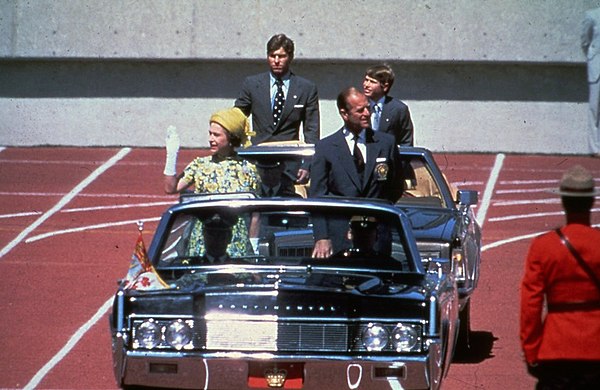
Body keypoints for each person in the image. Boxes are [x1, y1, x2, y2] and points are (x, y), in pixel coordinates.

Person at [520, 165, 600, 389]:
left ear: (563, 201)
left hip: (555, 348)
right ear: (591, 202)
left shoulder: (543, 246)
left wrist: (531, 351)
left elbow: (530, 305)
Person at [310, 87, 403, 258]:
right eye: (360, 110)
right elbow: (317, 196)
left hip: (377, 235)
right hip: (339, 234)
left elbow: (396, 186)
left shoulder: (385, 143)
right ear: (344, 114)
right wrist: (322, 236)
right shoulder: (326, 147)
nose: (367, 113)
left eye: (368, 108)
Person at [163, 107, 260, 256]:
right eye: (210, 134)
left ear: (231, 138)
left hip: (236, 243)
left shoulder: (248, 169)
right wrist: (171, 155)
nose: (210, 139)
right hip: (202, 241)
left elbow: (256, 213)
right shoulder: (200, 165)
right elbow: (171, 188)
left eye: (216, 135)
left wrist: (254, 244)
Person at [234, 33, 320, 184]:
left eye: (282, 56)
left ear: (290, 57)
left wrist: (307, 164)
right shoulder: (252, 84)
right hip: (258, 160)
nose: (277, 61)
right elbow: (236, 118)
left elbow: (311, 130)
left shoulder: (306, 88)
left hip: (290, 162)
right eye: (272, 56)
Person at [362, 63, 414, 146]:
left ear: (385, 86)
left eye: (372, 82)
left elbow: (406, 142)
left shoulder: (399, 109)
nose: (366, 85)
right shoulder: (359, 105)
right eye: (366, 80)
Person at [581, 8, 600, 157]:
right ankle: (595, 149)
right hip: (597, 67)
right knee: (594, 108)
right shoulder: (592, 15)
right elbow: (585, 40)